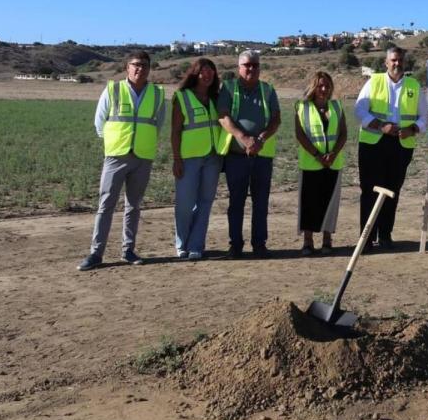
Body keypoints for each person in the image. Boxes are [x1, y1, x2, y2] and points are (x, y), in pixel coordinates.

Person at [78, 51, 166, 271]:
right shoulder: (113, 89)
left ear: (149, 68)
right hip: (116, 156)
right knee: (106, 205)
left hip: (142, 158)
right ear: (127, 67)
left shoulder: (157, 93)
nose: (140, 69)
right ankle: (96, 253)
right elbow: (100, 123)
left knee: (133, 206)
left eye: (144, 65)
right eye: (135, 65)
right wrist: (115, 142)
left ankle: (128, 250)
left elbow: (159, 123)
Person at [354, 46, 426, 249]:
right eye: (393, 60)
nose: (397, 64)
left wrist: (413, 129)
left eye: (400, 60)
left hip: (401, 146)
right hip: (373, 144)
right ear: (386, 63)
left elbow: (424, 118)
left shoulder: (414, 85)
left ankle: (385, 235)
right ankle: (366, 238)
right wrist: (380, 126)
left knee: (392, 190)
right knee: (369, 191)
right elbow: (359, 109)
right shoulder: (374, 81)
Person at [217, 50, 281, 258]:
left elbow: (276, 119)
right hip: (236, 157)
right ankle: (235, 245)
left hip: (262, 157)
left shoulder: (268, 90)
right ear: (239, 68)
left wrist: (260, 139)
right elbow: (223, 116)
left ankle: (259, 244)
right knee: (236, 203)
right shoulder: (228, 88)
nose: (251, 68)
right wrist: (244, 138)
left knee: (261, 203)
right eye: (247, 65)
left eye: (255, 65)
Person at [171, 58, 222, 261]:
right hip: (189, 157)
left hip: (213, 157)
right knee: (184, 203)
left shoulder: (216, 98)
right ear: (195, 73)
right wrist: (177, 159)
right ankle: (182, 244)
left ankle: (196, 245)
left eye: (211, 71)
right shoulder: (182, 97)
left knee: (205, 202)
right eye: (203, 71)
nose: (207, 75)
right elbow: (175, 132)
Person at [295, 71, 347, 255]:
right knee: (309, 203)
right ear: (313, 87)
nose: (323, 89)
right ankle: (308, 241)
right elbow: (300, 135)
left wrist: (332, 154)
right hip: (311, 163)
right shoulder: (302, 107)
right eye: (320, 85)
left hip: (333, 163)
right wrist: (317, 155)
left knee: (330, 202)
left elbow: (343, 134)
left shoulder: (337, 106)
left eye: (327, 85)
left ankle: (327, 239)